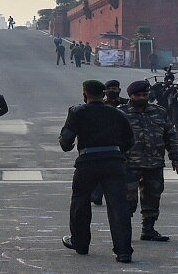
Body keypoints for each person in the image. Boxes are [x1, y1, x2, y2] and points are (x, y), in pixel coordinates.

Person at [59, 79, 135, 264]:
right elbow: (130, 140)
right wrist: (115, 152)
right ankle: (123, 251)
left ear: (85, 95)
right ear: (104, 94)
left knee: (80, 202)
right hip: (114, 162)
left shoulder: (77, 112)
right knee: (118, 206)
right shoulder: (117, 113)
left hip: (88, 162)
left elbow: (67, 139)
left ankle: (81, 243)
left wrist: (66, 144)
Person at [121, 80, 178, 242]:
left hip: (154, 162)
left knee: (153, 197)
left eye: (145, 95)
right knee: (127, 200)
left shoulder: (159, 112)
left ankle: (148, 229)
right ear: (131, 96)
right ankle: (122, 231)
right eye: (138, 95)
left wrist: (176, 158)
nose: (142, 98)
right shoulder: (121, 113)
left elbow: (170, 136)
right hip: (129, 164)